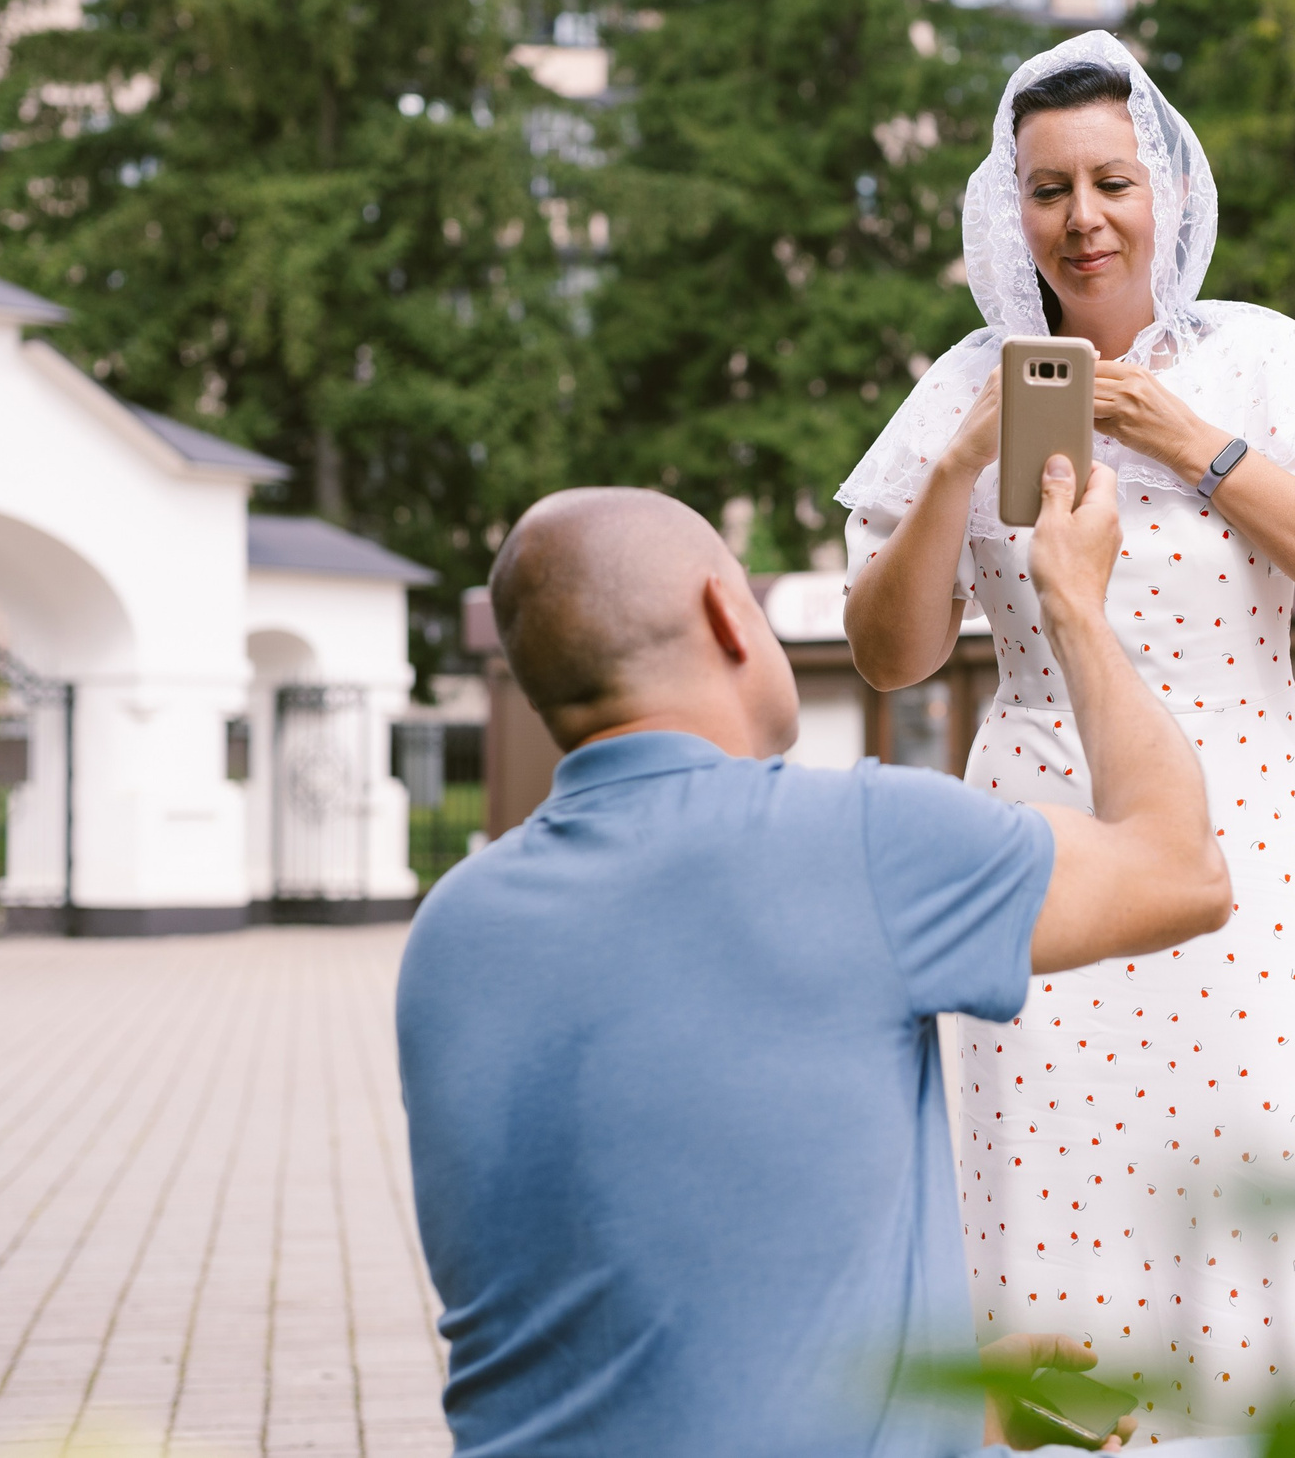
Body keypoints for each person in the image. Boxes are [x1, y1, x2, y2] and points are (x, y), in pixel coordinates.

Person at [838, 29, 1295, 1437]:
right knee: (1047, 1169)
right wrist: (958, 466)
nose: (1084, 217)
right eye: (1049, 189)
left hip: (1252, 829)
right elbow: (891, 652)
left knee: (1261, 1163)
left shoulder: (1264, 359)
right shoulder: (961, 388)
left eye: (1112, 180)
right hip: (1041, 822)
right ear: (1012, 209)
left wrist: (1192, 443)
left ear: (1166, 188)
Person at [395, 458, 1234, 1457]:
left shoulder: (450, 931)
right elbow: (1181, 871)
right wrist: (1074, 606)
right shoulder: (863, 841)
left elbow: (643, 1289)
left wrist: (964, 1404)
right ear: (726, 613)